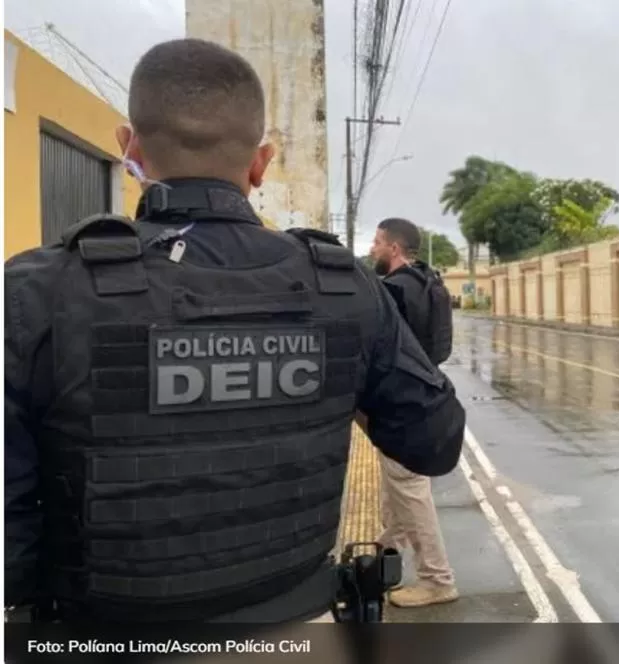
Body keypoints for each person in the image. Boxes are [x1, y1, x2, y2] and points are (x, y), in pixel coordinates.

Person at [4, 38, 465, 625]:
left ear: (130, 149)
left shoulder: (34, 291)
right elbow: (437, 441)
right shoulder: (342, 286)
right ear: (260, 162)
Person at [366, 217, 459, 608]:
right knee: (399, 489)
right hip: (427, 394)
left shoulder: (392, 292)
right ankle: (383, 554)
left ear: (394, 249)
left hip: (401, 406)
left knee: (408, 488)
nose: (372, 248)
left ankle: (437, 579)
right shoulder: (429, 283)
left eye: (377, 241)